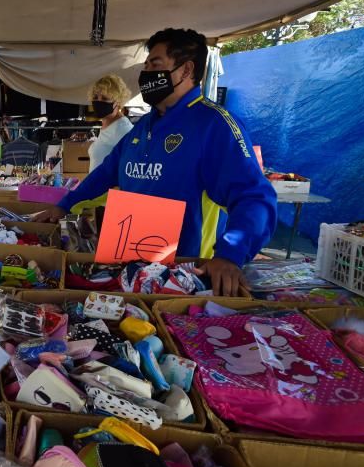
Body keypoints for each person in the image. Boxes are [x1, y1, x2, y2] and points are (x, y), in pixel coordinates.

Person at [34, 28, 277, 297]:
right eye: (147, 64)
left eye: (156, 64)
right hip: (130, 270)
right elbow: (106, 173)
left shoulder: (214, 126)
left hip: (183, 278)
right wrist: (64, 205)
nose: (146, 72)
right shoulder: (142, 129)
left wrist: (230, 255)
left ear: (186, 70)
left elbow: (254, 196)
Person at [87, 75, 134, 172]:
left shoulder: (123, 130)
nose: (98, 102)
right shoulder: (107, 124)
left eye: (104, 98)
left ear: (118, 102)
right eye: (95, 97)